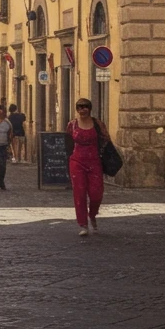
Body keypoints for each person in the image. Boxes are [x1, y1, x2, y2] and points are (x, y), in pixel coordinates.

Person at [66, 98, 109, 237]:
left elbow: (106, 139)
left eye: (85, 107)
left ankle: (92, 214)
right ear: (76, 109)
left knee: (96, 193)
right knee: (79, 193)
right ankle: (83, 224)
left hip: (94, 161)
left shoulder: (97, 124)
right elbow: (68, 144)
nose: (82, 109)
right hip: (77, 162)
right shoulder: (72, 125)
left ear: (90, 108)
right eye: (79, 107)